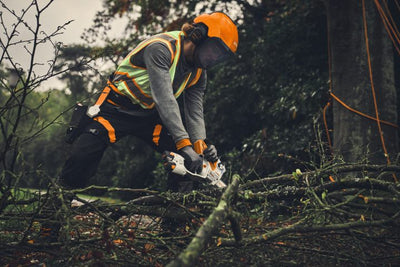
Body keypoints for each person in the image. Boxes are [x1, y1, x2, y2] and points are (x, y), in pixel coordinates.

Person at [60, 12, 239, 191]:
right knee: (84, 152)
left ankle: (177, 212)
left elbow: (195, 111)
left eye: (220, 56)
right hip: (117, 106)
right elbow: (164, 98)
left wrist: (200, 147)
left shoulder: (199, 73)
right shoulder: (161, 49)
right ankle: (64, 199)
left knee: (185, 158)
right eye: (214, 51)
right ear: (198, 35)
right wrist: (185, 144)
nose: (214, 59)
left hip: (150, 114)